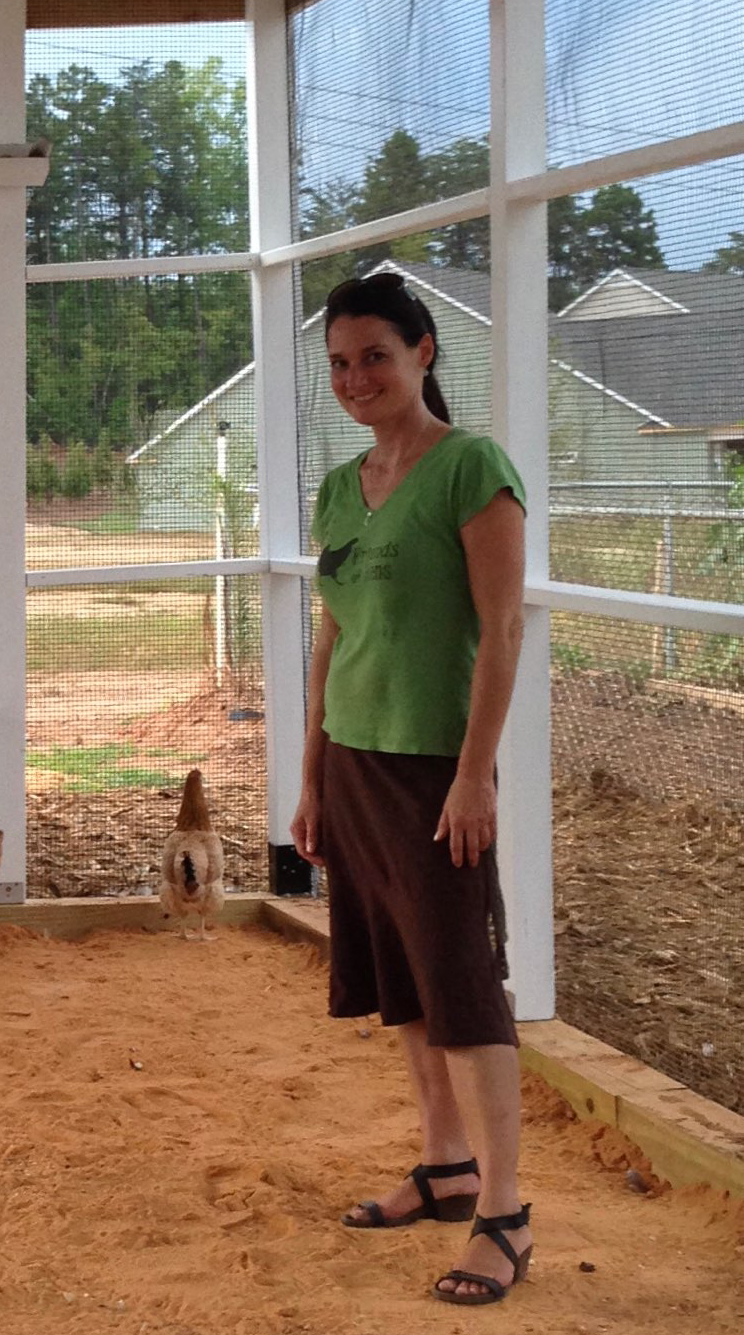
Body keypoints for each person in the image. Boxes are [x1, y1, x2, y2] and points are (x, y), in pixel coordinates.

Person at [289, 271, 533, 1307]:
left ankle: (507, 1214)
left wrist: (475, 774)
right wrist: (309, 772)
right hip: (354, 760)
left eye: (376, 356)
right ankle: (444, 1165)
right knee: (397, 973)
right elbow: (332, 631)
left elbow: (504, 628)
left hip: (436, 769)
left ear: (425, 352)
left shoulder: (471, 467)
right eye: (340, 361)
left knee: (463, 989)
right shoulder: (345, 484)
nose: (355, 378)